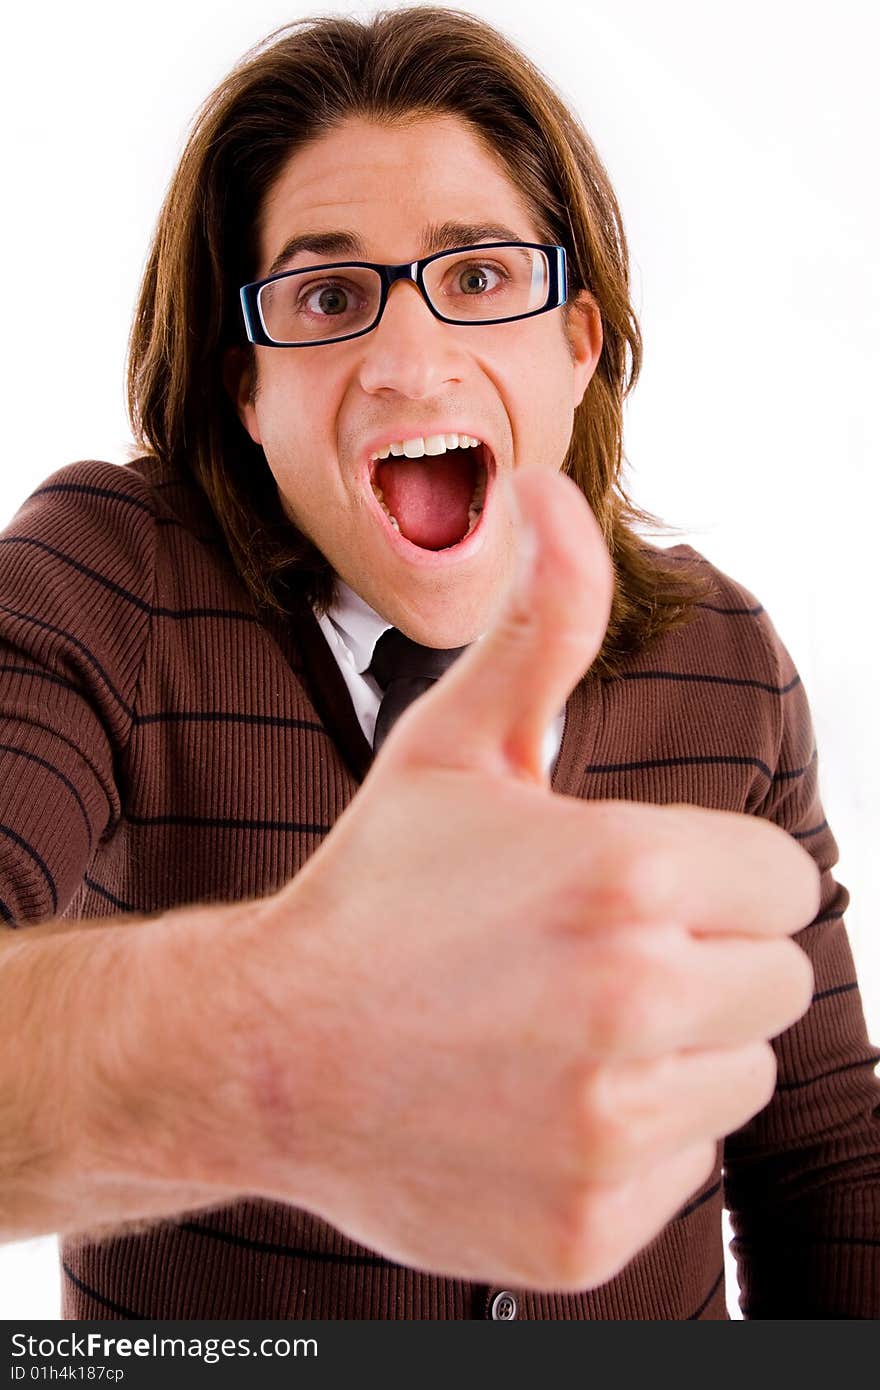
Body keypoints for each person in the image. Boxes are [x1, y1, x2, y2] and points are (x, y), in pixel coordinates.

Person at [0, 6, 877, 1321]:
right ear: (248, 390)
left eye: (477, 277)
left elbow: (820, 1163)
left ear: (577, 346)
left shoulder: (724, 651)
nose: (410, 363)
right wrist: (283, 1043)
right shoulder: (102, 583)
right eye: (329, 295)